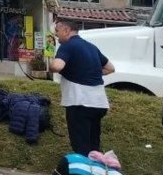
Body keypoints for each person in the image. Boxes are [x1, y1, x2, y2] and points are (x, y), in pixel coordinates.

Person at [48, 18, 115, 155]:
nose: (56, 34)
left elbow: (57, 66)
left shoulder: (67, 46)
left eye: (57, 30)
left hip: (80, 102)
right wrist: (88, 72)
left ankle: (82, 174)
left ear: (66, 30)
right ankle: (96, 170)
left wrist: (50, 67)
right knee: (93, 145)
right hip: (99, 103)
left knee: (81, 147)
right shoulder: (91, 47)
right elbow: (110, 68)